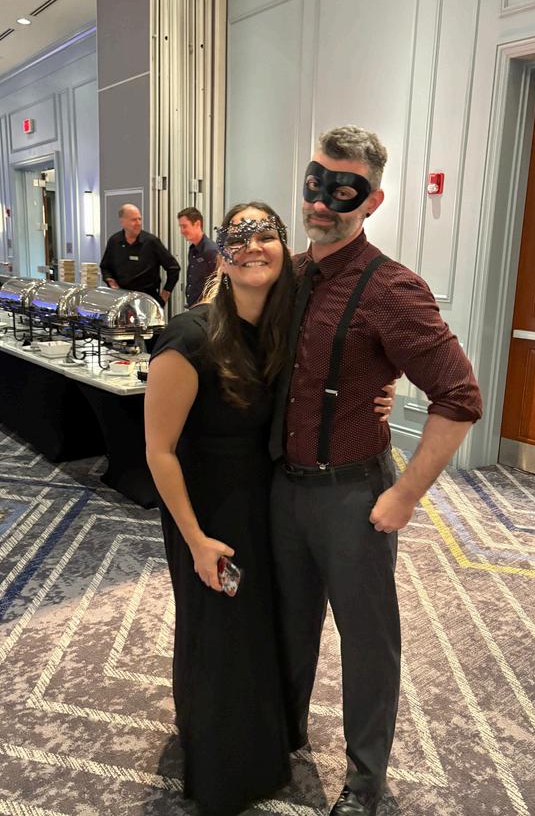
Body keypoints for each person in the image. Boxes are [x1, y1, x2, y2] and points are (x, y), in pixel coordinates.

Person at [145, 201, 396, 816]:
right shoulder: (190, 336)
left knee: (263, 630)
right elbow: (159, 452)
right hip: (208, 513)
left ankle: (265, 743)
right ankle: (220, 765)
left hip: (270, 505)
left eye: (266, 234)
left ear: (286, 250)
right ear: (221, 256)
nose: (253, 245)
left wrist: (379, 391)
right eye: (239, 236)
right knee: (219, 632)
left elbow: (339, 370)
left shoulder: (286, 330)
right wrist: (196, 539)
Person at [268, 125, 483, 816]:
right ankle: (284, 737)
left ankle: (365, 781)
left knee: (366, 643)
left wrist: (406, 494)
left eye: (342, 190)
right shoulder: (288, 276)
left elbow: (460, 396)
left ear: (373, 199)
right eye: (315, 182)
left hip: (353, 497)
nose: (321, 201)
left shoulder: (393, 288)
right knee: (287, 624)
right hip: (282, 487)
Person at [100, 204, 180, 305]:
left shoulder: (151, 242)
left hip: (147, 299)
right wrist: (111, 281)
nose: (138, 223)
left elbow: (174, 268)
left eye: (140, 219)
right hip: (122, 299)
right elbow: (105, 267)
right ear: (123, 221)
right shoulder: (114, 241)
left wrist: (165, 295)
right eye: (134, 220)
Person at [177, 207, 218, 308]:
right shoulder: (192, 249)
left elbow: (217, 283)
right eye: (180, 227)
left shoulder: (211, 250)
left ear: (197, 224)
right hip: (194, 306)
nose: (182, 231)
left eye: (184, 226)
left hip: (207, 308)